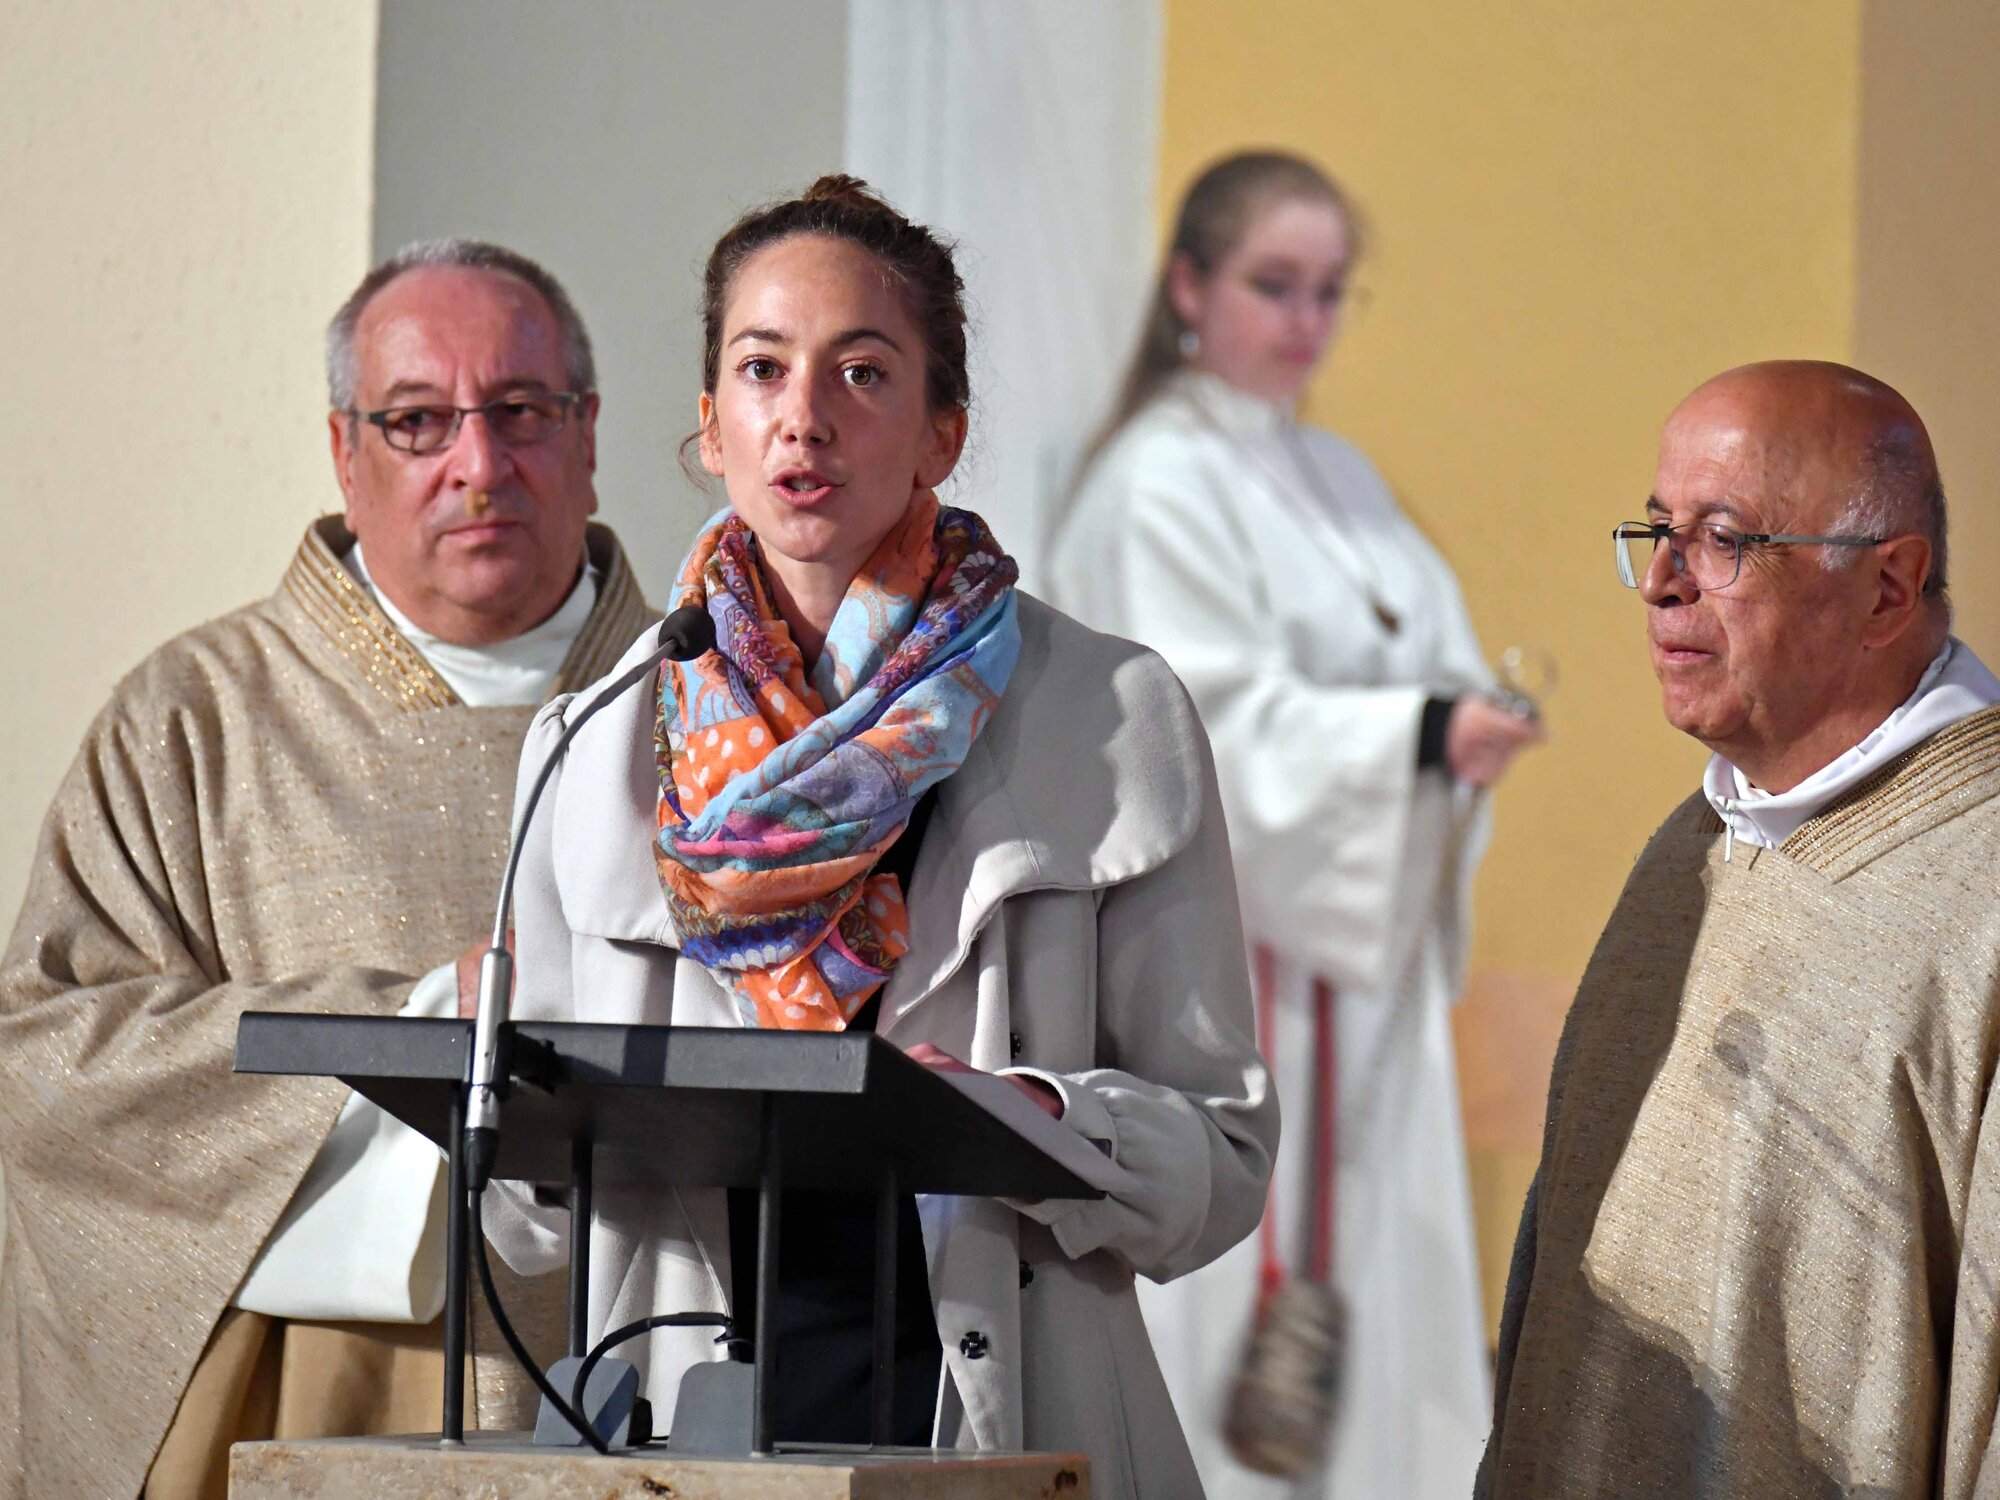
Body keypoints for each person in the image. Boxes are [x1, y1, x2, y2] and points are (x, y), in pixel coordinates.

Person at [481, 176, 1277, 1499]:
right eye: (761, 369)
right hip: (693, 1433)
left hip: (1006, 1420)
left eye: (862, 372)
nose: (804, 416)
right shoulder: (593, 744)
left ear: (939, 432)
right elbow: (525, 1230)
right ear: (710, 426)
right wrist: (492, 1096)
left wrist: (1043, 1120)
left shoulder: (1108, 714)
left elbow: (1224, 1162)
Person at [0, 240, 654, 1500]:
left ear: (586, 435)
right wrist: (407, 1034)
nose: (478, 463)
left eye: (520, 412)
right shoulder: (193, 720)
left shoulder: (721, 716)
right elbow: (51, 1061)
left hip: (651, 1372)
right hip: (324, 1381)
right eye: (417, 423)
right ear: (345, 456)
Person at [1050, 151, 1540, 1498]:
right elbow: (1191, 729)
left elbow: (1413, 668)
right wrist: (1419, 738)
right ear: (1190, 287)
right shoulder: (1156, 482)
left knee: (1383, 1356)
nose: (1306, 321)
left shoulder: (1338, 475)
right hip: (1226, 984)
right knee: (1232, 1370)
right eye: (1275, 284)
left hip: (1357, 973)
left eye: (1330, 291)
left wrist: (1458, 732)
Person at [1478, 360, 2000, 1497]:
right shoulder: (1687, 852)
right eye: (1654, 532)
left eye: (1721, 539)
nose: (1659, 583)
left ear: (1884, 588)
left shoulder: (1980, 891)